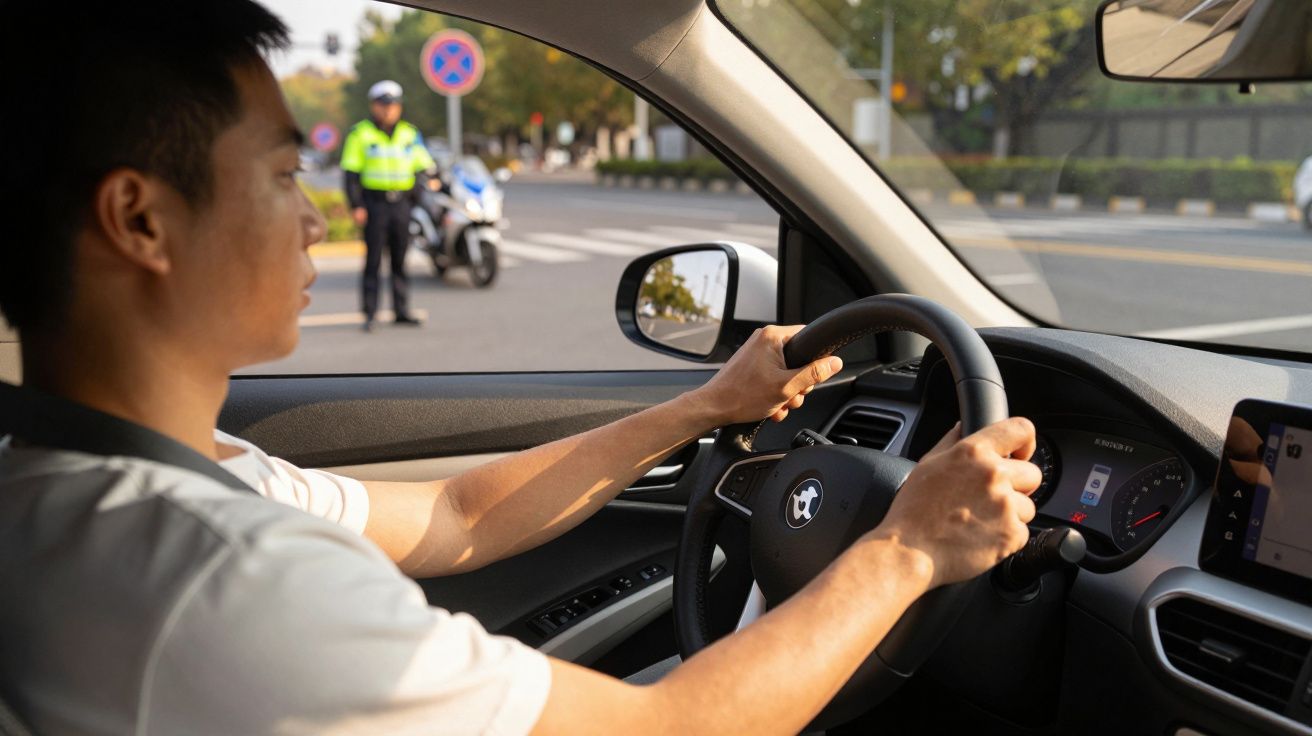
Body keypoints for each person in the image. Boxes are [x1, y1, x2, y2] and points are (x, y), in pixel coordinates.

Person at [0, 2, 1040, 734]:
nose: (315, 215)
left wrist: (709, 404)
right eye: (280, 174)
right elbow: (669, 729)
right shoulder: (217, 574)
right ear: (140, 218)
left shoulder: (127, 486)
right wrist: (905, 548)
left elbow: (458, 513)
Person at [340, 79, 436, 332]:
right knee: (372, 261)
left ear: (399, 107)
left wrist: (424, 188)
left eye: (393, 105)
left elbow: (423, 166)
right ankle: (370, 313)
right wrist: (356, 205)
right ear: (373, 106)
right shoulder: (360, 134)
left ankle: (401, 310)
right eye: (383, 105)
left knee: (400, 259)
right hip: (374, 203)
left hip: (401, 204)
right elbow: (350, 174)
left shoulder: (409, 133)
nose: (388, 110)